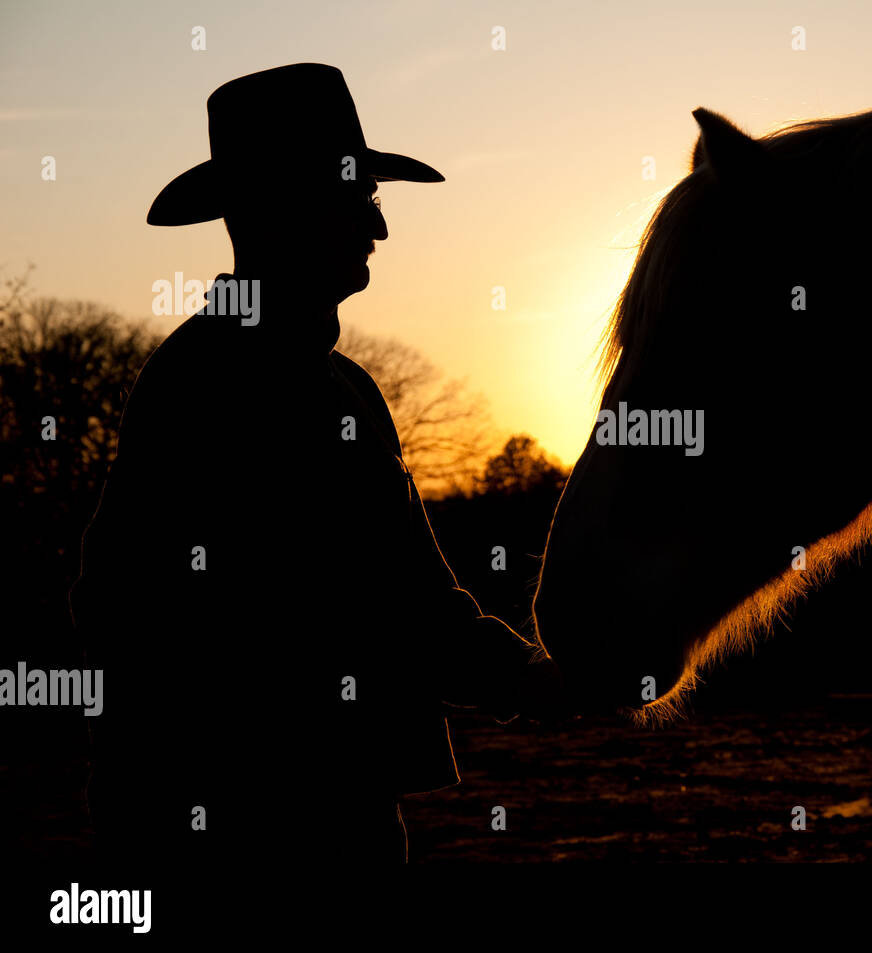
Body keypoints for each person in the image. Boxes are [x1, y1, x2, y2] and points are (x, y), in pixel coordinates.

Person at [70, 63, 560, 867]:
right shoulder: (196, 384)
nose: (380, 228)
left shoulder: (349, 389)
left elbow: (416, 600)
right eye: (359, 199)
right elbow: (122, 608)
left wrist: (530, 677)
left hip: (347, 815)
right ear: (285, 210)